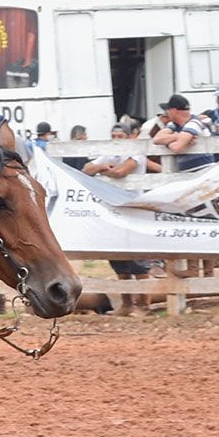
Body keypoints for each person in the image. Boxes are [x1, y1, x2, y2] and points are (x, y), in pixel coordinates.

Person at [81, 121, 152, 314]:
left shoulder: (136, 152)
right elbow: (87, 169)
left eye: (120, 137)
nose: (116, 140)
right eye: (114, 136)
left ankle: (144, 304)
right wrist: (103, 166)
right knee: (118, 259)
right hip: (113, 209)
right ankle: (127, 304)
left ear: (129, 137)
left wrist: (102, 170)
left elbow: (121, 171)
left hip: (132, 209)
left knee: (137, 259)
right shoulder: (109, 154)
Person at [150, 93, 215, 172]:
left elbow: (177, 148)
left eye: (168, 110)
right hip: (188, 171)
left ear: (174, 111)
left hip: (203, 170)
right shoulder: (174, 124)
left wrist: (167, 142)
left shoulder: (194, 123)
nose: (167, 113)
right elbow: (156, 139)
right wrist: (179, 137)